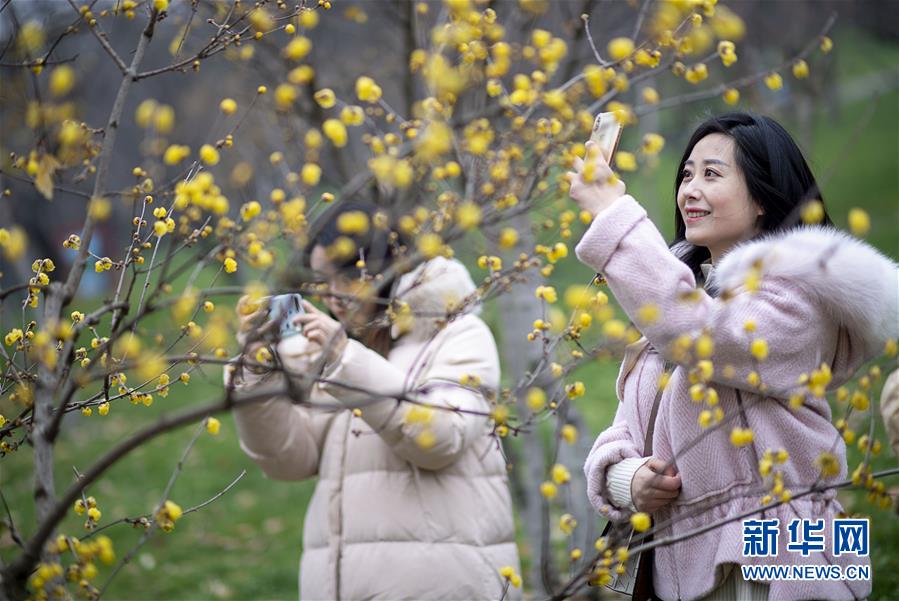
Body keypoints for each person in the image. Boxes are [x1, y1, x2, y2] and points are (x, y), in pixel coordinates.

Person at [568, 112, 897, 600]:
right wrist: (627, 479)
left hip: (780, 559)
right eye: (686, 174)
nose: (689, 191)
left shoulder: (799, 299)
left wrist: (616, 218)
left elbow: (702, 333)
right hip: (687, 564)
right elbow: (623, 431)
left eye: (711, 174)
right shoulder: (685, 301)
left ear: (762, 197)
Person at [223, 203, 521, 600]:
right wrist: (257, 374)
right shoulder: (331, 353)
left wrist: (344, 359)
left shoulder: (458, 334)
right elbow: (289, 460)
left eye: (345, 276)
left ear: (388, 267)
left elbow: (439, 437)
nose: (331, 294)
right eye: (320, 279)